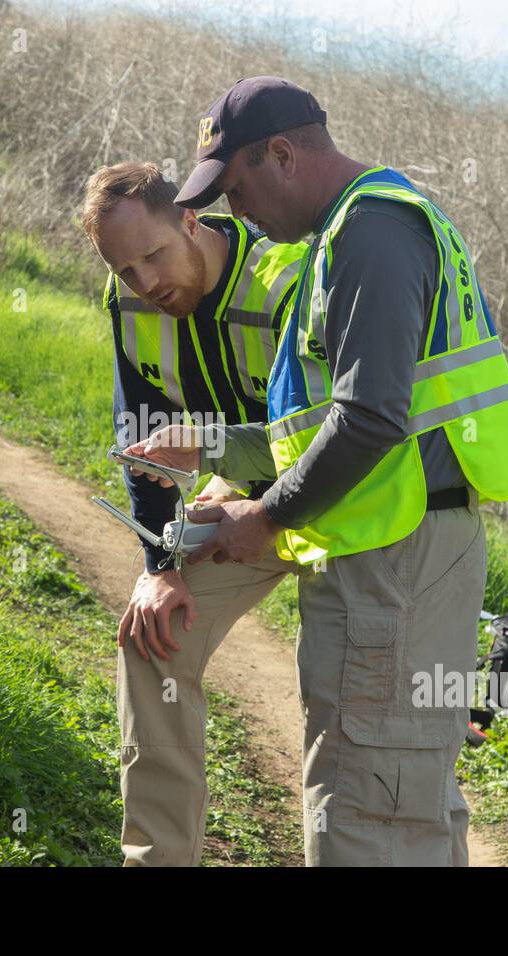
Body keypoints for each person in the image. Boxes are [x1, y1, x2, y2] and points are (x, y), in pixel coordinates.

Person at [124, 77, 508, 866]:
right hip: (396, 551)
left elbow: (371, 420)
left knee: (365, 816)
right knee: (399, 806)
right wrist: (211, 448)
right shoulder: (348, 235)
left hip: (397, 568)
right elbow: (319, 426)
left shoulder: (370, 235)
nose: (234, 214)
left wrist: (268, 517)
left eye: (237, 191)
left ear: (282, 153)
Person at [80, 161, 306, 865]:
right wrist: (161, 568)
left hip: (341, 494)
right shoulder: (134, 307)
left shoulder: (286, 280)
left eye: (152, 256)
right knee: (153, 636)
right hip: (239, 491)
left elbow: (341, 436)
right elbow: (142, 435)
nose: (146, 283)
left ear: (189, 219)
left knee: (353, 694)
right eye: (126, 271)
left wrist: (222, 465)